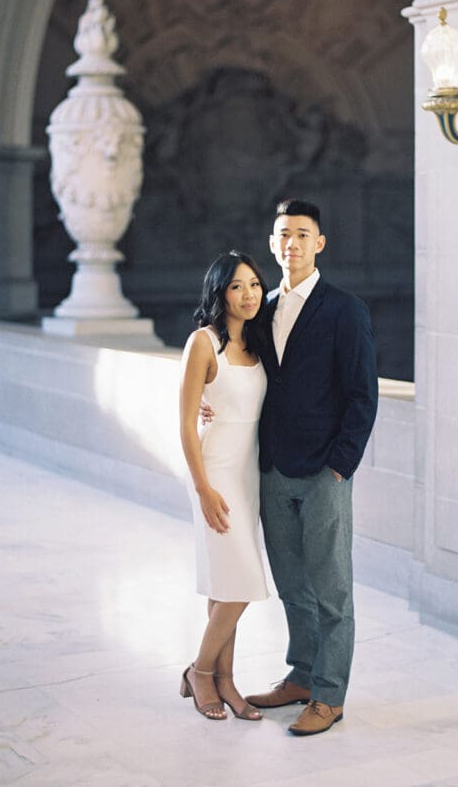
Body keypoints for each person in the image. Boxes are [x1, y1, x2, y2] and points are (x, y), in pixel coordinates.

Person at [244, 198, 378, 736]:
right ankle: (300, 676)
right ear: (273, 243)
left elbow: (362, 397)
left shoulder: (346, 310)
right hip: (273, 468)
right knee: (292, 586)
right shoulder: (261, 306)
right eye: (283, 234)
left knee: (331, 592)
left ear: (318, 243)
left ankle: (329, 695)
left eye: (302, 234)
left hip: (324, 471)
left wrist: (340, 468)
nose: (291, 243)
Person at [178, 250, 270, 722]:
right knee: (242, 586)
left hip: (248, 474)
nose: (249, 294)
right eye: (237, 286)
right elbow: (185, 424)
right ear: (220, 292)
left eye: (254, 284)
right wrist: (202, 489)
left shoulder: (258, 343)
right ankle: (200, 671)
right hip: (215, 474)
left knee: (227, 585)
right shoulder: (203, 343)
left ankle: (226, 682)